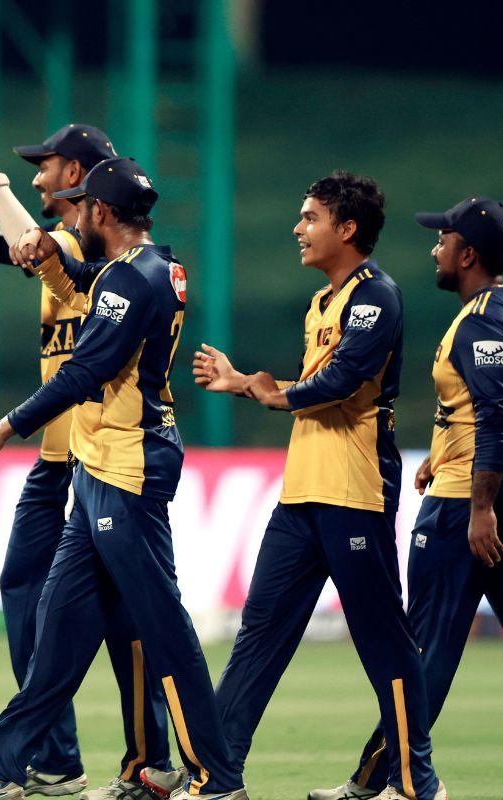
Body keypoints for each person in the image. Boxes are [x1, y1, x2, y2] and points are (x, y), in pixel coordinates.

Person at [0, 157, 247, 800]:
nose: (75, 214)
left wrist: (0, 429)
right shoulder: (156, 268)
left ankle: (216, 776)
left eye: (83, 206)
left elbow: (81, 373)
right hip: (103, 469)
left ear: (103, 213)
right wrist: (31, 237)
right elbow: (78, 275)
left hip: (125, 470)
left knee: (164, 629)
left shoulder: (129, 282)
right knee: (59, 637)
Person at [309, 197, 503, 800]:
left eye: (443, 239)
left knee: (422, 644)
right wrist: (443, 460)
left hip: (476, 498)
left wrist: (477, 508)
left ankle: (393, 780)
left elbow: (495, 418)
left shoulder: (479, 324)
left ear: (468, 254)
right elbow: (489, 414)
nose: (435, 248)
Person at [173, 172, 443, 800]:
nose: (298, 227)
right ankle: (218, 776)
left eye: (310, 217)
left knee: (382, 639)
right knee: (260, 632)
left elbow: (343, 382)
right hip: (302, 495)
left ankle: (412, 781)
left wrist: (272, 394)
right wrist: (250, 384)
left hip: (354, 492)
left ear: (347, 229)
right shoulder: (323, 301)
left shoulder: (378, 296)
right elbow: (308, 385)